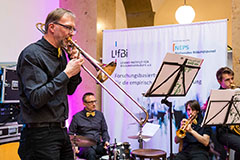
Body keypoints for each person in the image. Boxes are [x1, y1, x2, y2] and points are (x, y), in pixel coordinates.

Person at [17, 8, 84, 160]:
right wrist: (66, 73)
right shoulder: (32, 54)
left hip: (60, 129)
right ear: (52, 27)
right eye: (68, 27)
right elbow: (36, 98)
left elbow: (70, 90)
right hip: (39, 134)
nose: (72, 33)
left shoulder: (60, 54)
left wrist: (75, 68)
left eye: (74, 29)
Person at [69, 92, 110, 160]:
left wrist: (106, 141)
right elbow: (71, 133)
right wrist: (75, 145)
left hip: (98, 144)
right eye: (91, 102)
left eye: (94, 101)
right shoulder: (77, 117)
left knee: (113, 151)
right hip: (83, 147)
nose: (94, 104)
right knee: (91, 152)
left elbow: (104, 130)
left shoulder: (100, 115)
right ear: (84, 104)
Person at [215, 67, 240, 160]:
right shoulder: (216, 95)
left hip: (236, 130)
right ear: (219, 81)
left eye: (232, 78)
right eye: (227, 80)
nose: (231, 82)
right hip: (224, 132)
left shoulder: (238, 91)